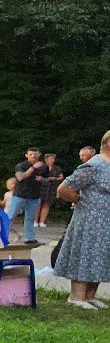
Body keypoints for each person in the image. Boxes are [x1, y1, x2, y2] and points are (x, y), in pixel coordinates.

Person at [54, 130, 110, 309]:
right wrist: (79, 200)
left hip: (106, 220)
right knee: (86, 253)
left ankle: (89, 296)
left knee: (100, 255)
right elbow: (64, 188)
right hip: (90, 220)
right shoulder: (94, 165)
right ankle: (76, 297)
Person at [8, 147, 50, 242]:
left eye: (35, 154)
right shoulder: (21, 166)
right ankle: (3, 236)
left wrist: (42, 180)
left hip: (34, 196)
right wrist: (33, 168)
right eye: (31, 154)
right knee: (11, 215)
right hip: (20, 195)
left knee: (30, 218)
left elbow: (48, 179)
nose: (33, 156)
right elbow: (20, 177)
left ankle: (30, 238)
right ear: (26, 155)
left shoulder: (44, 167)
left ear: (39, 155)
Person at [38, 147, 63, 227]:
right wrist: (44, 179)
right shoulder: (41, 167)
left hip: (51, 188)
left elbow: (61, 177)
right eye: (51, 159)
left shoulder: (57, 168)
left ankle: (42, 221)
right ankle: (35, 221)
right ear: (46, 159)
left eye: (53, 159)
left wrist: (54, 178)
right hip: (41, 188)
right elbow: (37, 176)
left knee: (46, 204)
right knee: (38, 204)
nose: (53, 160)